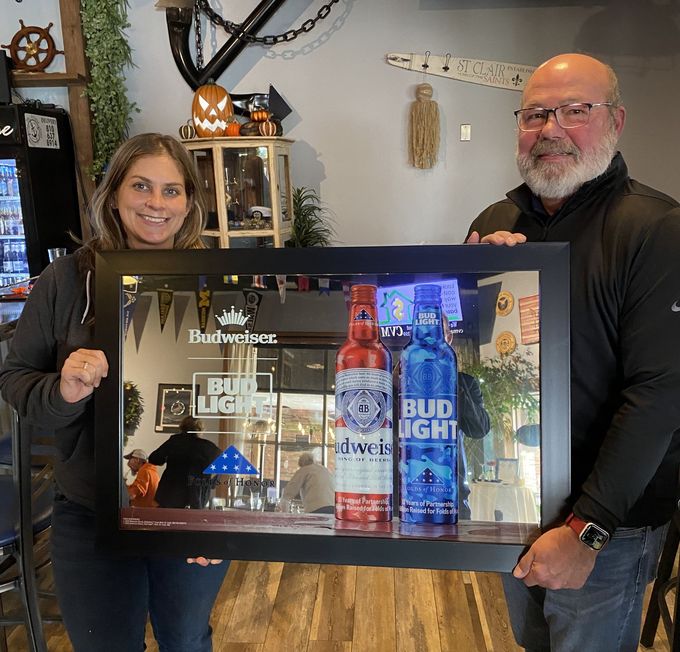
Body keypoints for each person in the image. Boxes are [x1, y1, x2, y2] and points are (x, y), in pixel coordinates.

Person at [466, 53, 680, 651]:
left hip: (607, 528)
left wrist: (586, 531)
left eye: (575, 111)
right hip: (514, 504)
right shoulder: (496, 220)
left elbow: (659, 397)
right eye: (534, 114)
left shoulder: (658, 229)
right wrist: (475, 281)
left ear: (616, 120)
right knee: (532, 644)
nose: (551, 128)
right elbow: (467, 356)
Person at [0, 133, 229, 652]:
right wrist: (63, 388)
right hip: (88, 509)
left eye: (172, 191)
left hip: (191, 513)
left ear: (189, 203)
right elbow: (14, 379)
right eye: (142, 185)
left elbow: (241, 392)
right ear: (114, 192)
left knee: (187, 641)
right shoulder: (64, 281)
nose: (156, 202)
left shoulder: (217, 281)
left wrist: (229, 515)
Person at [149, 416, 222, 509]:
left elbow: (154, 458)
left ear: (182, 428)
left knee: (168, 521)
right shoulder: (208, 447)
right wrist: (212, 483)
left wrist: (168, 457)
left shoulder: (175, 441)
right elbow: (224, 462)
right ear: (200, 430)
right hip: (196, 497)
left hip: (171, 494)